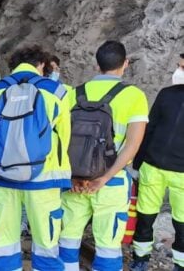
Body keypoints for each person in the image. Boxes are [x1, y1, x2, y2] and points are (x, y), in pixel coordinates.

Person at [59, 41, 148, 271]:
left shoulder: (73, 93)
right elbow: (132, 145)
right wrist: (104, 178)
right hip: (111, 183)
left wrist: (71, 177)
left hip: (74, 182)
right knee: (108, 247)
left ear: (96, 65)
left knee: (67, 241)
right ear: (125, 64)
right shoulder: (134, 96)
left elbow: (60, 141)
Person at [0, 46, 71, 271]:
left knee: (3, 244)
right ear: (41, 64)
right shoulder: (56, 91)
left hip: (1, 177)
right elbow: (64, 138)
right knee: (46, 244)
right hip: (43, 179)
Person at [130, 53, 184, 271]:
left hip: (177, 172)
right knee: (145, 217)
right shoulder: (166, 94)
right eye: (180, 65)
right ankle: (140, 259)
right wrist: (137, 164)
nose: (179, 70)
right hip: (153, 167)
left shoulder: (167, 94)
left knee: (181, 224)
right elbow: (148, 129)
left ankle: (179, 264)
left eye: (182, 66)